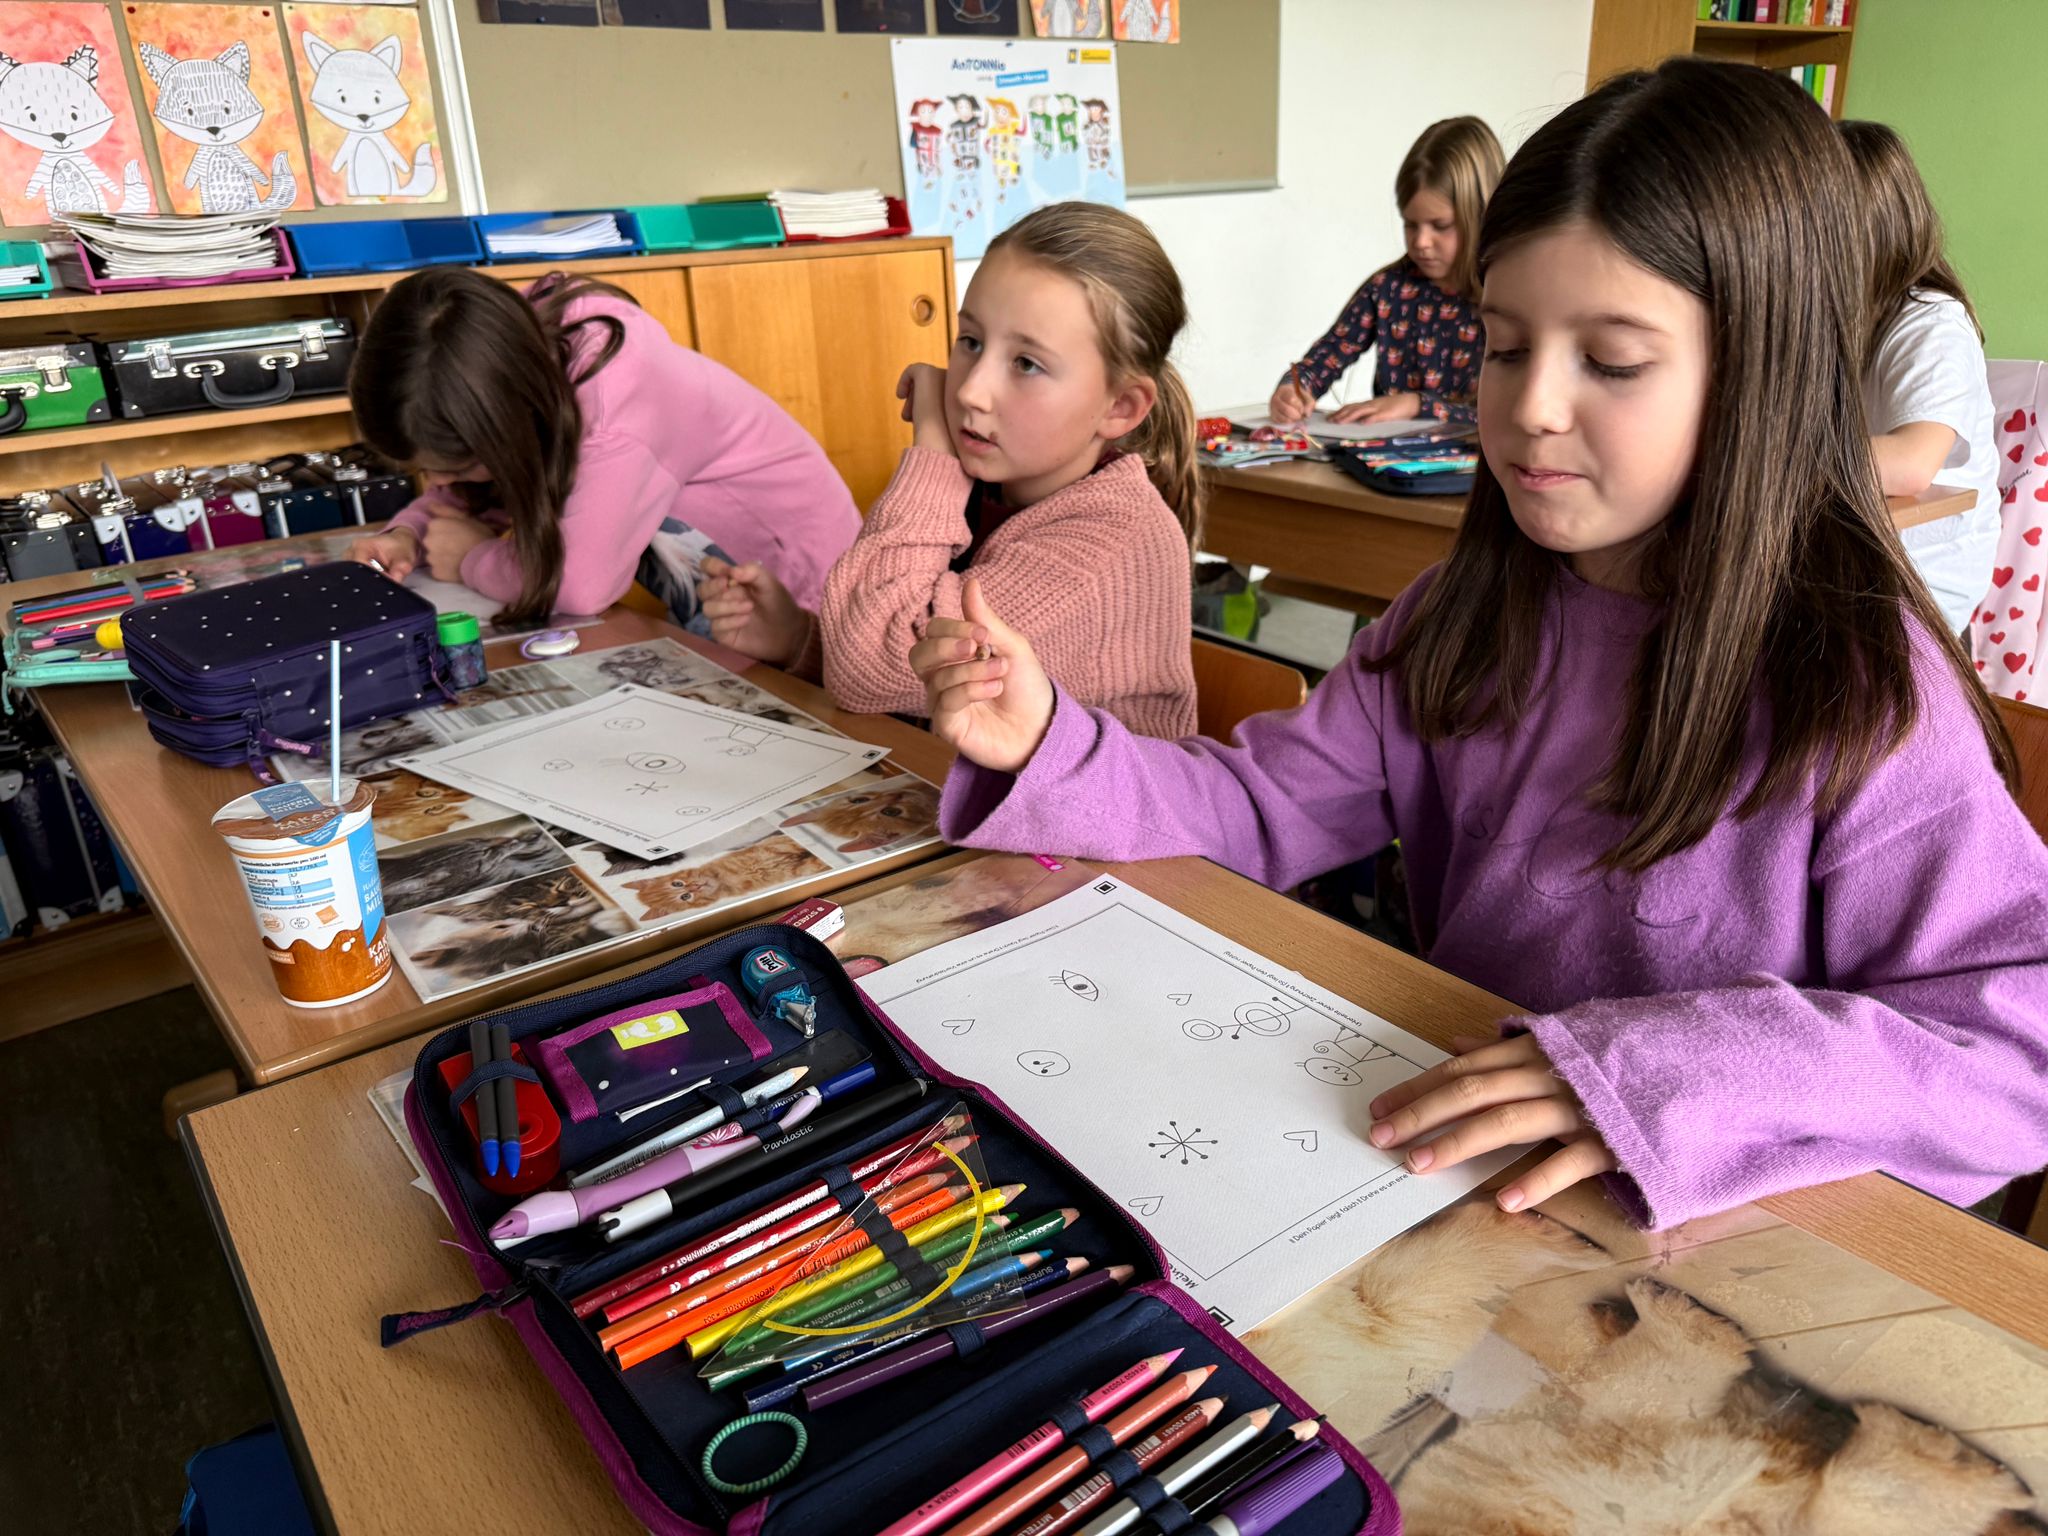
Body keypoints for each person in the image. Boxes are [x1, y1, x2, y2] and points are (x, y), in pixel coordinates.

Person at [913, 60, 2048, 1233]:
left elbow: (2018, 1046)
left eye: (1610, 361)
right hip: (1457, 1193)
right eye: (1503, 348)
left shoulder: (1860, 691)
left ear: (1762, 377)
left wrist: (1657, 1076)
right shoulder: (1458, 618)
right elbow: (1257, 807)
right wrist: (1046, 742)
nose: (1531, 407)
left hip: (1695, 1249)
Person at [701, 201, 1199, 738]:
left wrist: (934, 455)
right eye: (971, 342)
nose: (970, 390)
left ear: (1120, 407)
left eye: (1026, 364)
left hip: (1085, 800)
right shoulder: (991, 485)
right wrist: (799, 640)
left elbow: (871, 670)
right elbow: (912, 680)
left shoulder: (1103, 542)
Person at [346, 267, 860, 628]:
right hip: (722, 600)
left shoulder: (618, 412)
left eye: (455, 468)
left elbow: (582, 587)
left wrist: (472, 558)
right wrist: (408, 533)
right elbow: (483, 479)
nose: (437, 484)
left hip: (807, 598)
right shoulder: (510, 357)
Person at [1842, 118, 2000, 633]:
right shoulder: (1844, 321)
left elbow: (1912, 464)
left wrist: (1773, 459)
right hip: (1859, 554)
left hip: (1921, 586)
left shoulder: (1933, 322)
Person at [1269, 116, 1503, 428]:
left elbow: (1509, 415)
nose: (1421, 242)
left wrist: (1418, 405)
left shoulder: (1508, 297)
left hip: (1478, 459)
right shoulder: (1388, 288)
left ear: (1481, 214)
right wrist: (1292, 390)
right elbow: (1325, 358)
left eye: (1440, 225)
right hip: (1387, 456)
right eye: (1410, 224)